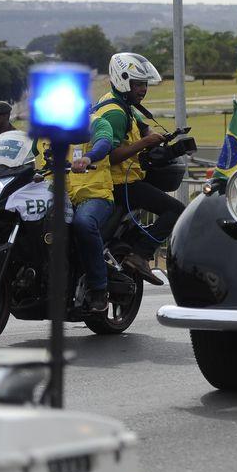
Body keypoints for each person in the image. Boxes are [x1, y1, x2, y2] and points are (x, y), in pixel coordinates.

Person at [99, 52, 184, 284]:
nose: (143, 89)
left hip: (125, 181)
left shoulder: (120, 103)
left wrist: (149, 133)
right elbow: (108, 157)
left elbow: (139, 120)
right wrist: (144, 143)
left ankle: (129, 246)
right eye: (137, 84)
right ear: (122, 80)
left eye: (145, 84)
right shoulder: (115, 113)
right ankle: (141, 254)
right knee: (176, 210)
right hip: (120, 184)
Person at [68, 109, 118, 313]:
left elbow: (104, 142)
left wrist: (88, 158)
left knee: (83, 223)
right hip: (61, 195)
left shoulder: (97, 122)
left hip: (96, 195)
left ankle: (99, 288)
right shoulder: (52, 129)